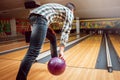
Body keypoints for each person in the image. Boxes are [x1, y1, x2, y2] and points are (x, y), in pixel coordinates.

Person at [16, 2, 75, 80]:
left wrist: (49, 29)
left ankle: (55, 60)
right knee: (33, 51)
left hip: (33, 17)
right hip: (41, 19)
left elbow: (46, 16)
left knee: (53, 37)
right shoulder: (69, 13)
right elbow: (65, 31)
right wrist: (61, 51)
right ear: (72, 10)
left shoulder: (59, 8)